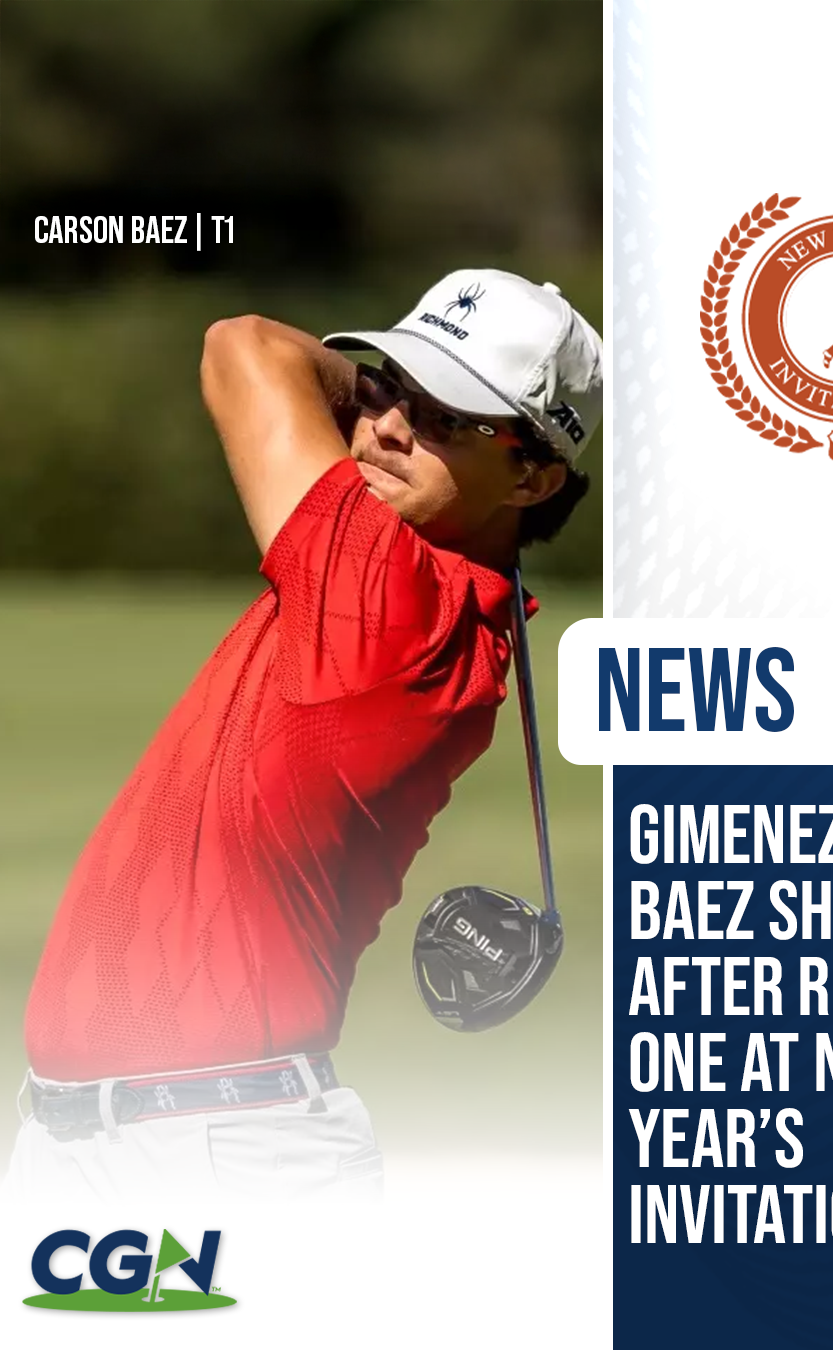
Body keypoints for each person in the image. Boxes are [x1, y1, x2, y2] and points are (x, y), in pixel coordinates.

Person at [2, 268, 603, 1204]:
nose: (390, 427)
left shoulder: (392, 607)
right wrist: (411, 404)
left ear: (531, 476)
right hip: (118, 1145)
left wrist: (359, 388)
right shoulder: (421, 594)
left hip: (213, 1157)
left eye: (446, 417)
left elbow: (242, 345)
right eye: (388, 388)